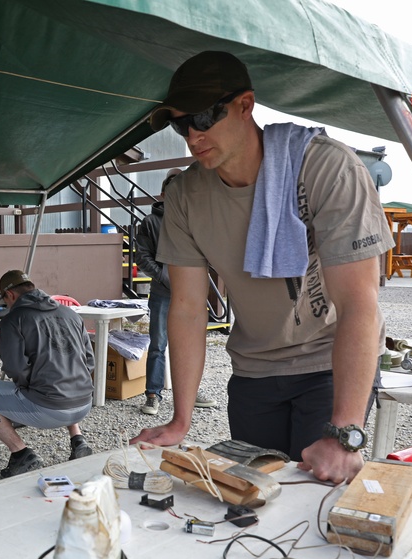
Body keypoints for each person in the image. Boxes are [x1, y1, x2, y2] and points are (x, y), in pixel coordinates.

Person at [131, 51, 393, 484]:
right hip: (254, 371)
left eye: (204, 117)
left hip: (328, 362)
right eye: (181, 124)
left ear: (245, 105)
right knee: (254, 498)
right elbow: (189, 309)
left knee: (317, 503)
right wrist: (180, 420)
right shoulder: (184, 195)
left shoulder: (325, 167)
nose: (192, 136)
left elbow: (358, 305)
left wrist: (346, 434)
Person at [0, 270, 95, 477]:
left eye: (4, 300)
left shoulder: (14, 319)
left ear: (10, 295)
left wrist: (31, 387)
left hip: (50, 409)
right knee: (62, 373)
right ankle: (78, 440)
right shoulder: (70, 314)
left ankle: (22, 454)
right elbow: (88, 361)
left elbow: (15, 368)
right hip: (84, 404)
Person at [135, 168, 218, 416]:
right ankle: (153, 395)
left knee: (191, 344)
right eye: (172, 189)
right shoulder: (150, 222)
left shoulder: (196, 220)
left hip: (191, 294)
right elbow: (142, 256)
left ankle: (191, 393)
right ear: (163, 193)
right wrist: (164, 276)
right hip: (162, 292)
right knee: (159, 344)